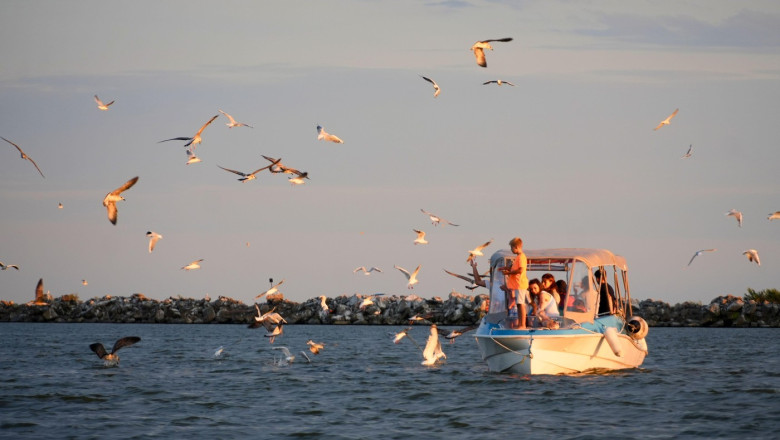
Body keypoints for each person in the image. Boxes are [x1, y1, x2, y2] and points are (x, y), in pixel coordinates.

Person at [499, 237, 528, 329]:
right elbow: (515, 269)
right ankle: (520, 324)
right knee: (519, 304)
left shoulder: (521, 257)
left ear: (516, 247)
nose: (511, 250)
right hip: (517, 284)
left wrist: (508, 273)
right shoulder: (518, 257)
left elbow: (520, 270)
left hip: (520, 284)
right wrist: (506, 269)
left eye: (512, 248)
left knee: (520, 304)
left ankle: (522, 325)